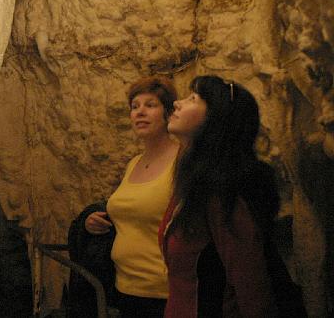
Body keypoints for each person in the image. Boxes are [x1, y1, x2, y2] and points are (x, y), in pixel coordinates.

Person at [159, 75, 282, 317]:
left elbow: (250, 285)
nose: (177, 103)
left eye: (193, 98)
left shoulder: (222, 193)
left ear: (216, 118)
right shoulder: (194, 183)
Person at [83, 76, 179, 317]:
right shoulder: (134, 163)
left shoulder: (182, 162)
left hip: (165, 292)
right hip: (125, 287)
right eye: (135, 107)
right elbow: (133, 213)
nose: (140, 112)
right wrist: (94, 222)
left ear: (168, 113)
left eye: (150, 105)